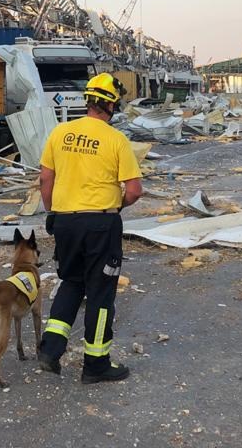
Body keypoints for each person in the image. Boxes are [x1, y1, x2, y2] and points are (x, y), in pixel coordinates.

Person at [36, 73, 144, 384]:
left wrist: (53, 213)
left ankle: (51, 350)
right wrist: (116, 206)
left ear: (87, 101)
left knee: (71, 282)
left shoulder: (60, 134)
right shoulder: (115, 140)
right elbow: (135, 190)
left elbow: (45, 180)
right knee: (100, 292)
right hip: (100, 223)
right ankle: (96, 364)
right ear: (110, 104)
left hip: (66, 221)